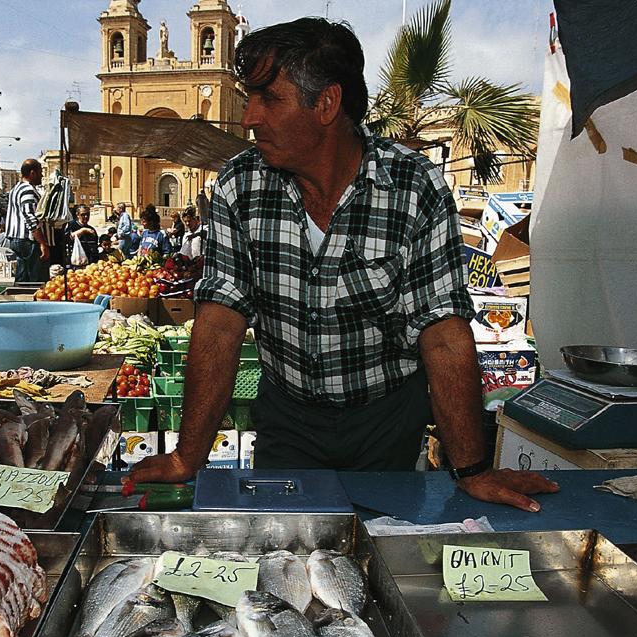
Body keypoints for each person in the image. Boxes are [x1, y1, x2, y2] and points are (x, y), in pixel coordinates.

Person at [128, 18, 557, 512]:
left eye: (269, 98)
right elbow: (220, 325)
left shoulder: (413, 187)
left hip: (386, 425)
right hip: (286, 423)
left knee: (379, 548)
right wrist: (187, 455)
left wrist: (473, 469)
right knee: (286, 557)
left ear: (326, 104)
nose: (249, 117)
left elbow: (443, 333)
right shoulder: (239, 187)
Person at [4, 158, 50, 283]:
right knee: (35, 279)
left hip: (16, 239)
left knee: (23, 276)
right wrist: (42, 243)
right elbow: (30, 218)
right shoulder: (28, 190)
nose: (42, 175)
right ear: (32, 173)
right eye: (40, 172)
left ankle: (20, 299)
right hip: (27, 240)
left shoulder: (15, 189)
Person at [177, 205, 206, 272]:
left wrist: (196, 235)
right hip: (192, 268)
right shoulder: (186, 235)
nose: (187, 224)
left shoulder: (204, 228)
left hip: (204, 266)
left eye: (189, 221)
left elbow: (206, 234)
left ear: (195, 219)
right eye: (185, 222)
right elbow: (185, 254)